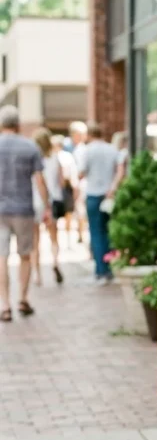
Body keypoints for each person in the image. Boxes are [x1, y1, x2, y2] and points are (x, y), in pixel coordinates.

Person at [0, 105, 50, 320]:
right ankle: (23, 298)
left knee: (1, 256)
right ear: (18, 124)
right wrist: (47, 207)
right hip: (23, 209)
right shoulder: (30, 147)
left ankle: (4, 304)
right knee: (25, 255)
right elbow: (39, 180)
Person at [79, 123, 118, 284]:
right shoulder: (112, 149)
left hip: (94, 195)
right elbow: (121, 169)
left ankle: (100, 269)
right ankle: (109, 267)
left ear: (89, 134)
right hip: (109, 195)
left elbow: (81, 173)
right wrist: (113, 187)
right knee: (109, 231)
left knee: (96, 232)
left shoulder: (87, 151)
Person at [33, 128, 64, 285]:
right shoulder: (55, 158)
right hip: (53, 201)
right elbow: (61, 181)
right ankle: (55, 263)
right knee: (54, 237)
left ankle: (37, 274)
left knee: (35, 240)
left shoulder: (32, 160)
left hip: (35, 202)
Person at [51, 135, 79, 246]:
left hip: (63, 188)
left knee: (67, 214)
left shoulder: (65, 156)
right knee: (66, 214)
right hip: (62, 188)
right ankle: (63, 241)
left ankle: (64, 241)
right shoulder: (54, 156)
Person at [69, 121, 88, 243]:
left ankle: (83, 236)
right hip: (83, 185)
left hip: (82, 185)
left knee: (81, 212)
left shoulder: (80, 150)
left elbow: (80, 171)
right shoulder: (80, 149)